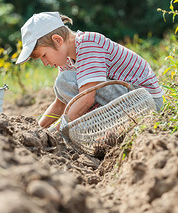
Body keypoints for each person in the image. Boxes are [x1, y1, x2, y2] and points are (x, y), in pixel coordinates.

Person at [16, 11, 164, 129]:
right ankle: (100, 125)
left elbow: (87, 98)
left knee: (66, 82)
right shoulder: (67, 60)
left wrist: (60, 131)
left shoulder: (88, 43)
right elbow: (60, 104)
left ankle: (95, 125)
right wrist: (38, 130)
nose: (45, 63)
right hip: (127, 97)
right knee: (63, 84)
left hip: (145, 100)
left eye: (44, 56)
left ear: (57, 40)